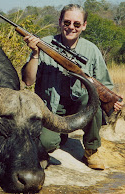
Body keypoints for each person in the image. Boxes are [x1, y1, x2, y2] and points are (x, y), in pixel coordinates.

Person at [22, 4, 124, 170]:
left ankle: (91, 149)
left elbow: (106, 86)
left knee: (93, 98)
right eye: (67, 22)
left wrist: (115, 102)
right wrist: (35, 54)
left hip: (79, 109)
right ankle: (60, 136)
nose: (71, 27)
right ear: (60, 22)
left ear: (84, 26)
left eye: (77, 24)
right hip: (50, 111)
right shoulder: (44, 44)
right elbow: (28, 81)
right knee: (46, 144)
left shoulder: (91, 50)